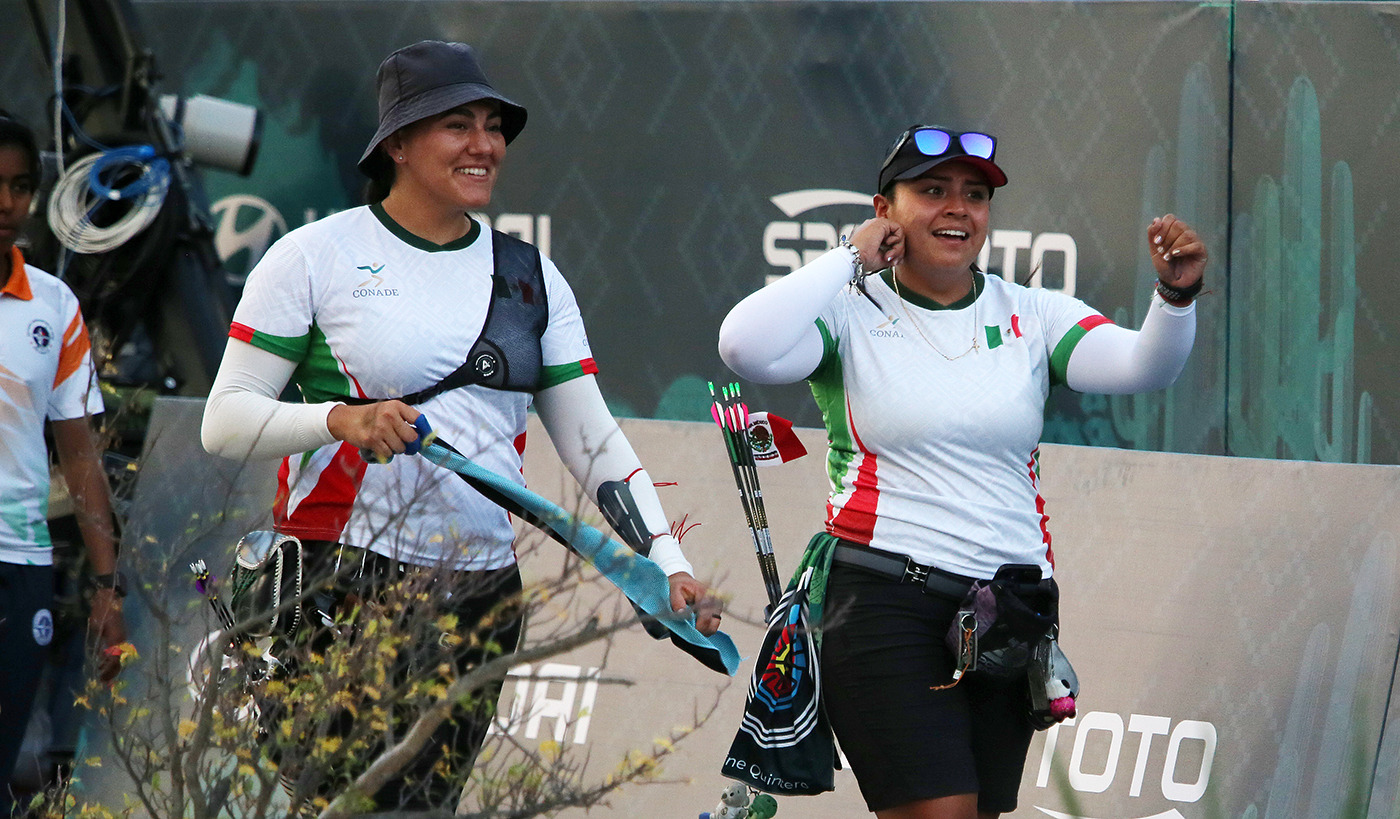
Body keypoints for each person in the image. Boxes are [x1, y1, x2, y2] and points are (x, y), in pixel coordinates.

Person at [200, 41, 720, 810]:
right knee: (340, 804)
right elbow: (224, 422)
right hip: (340, 575)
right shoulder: (312, 256)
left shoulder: (531, 275)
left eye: (493, 126)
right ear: (399, 144)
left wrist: (665, 559)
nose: (484, 145)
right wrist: (342, 418)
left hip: (482, 594)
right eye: (456, 125)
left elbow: (592, 439)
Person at [718, 124, 1204, 819]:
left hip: (1006, 614)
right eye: (933, 190)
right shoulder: (847, 311)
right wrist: (847, 258)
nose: (958, 208)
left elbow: (1144, 365)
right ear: (884, 210)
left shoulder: (1029, 312)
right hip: (883, 600)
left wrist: (1175, 297)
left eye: (974, 195)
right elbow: (742, 345)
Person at [0, 110, 127, 815]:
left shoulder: (54, 304)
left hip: (21, 567)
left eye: (20, 186)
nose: (6, 203)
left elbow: (80, 455)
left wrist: (109, 586)